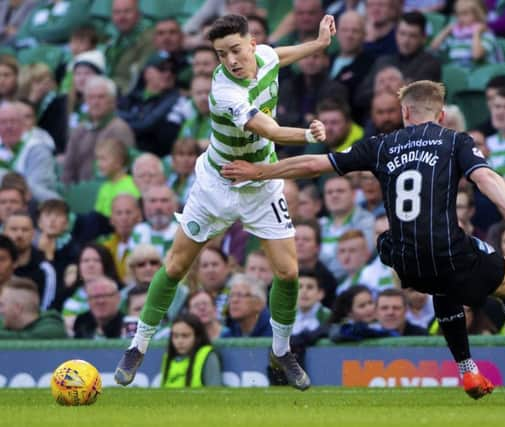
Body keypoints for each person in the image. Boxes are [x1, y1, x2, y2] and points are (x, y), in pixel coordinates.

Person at [222, 80, 505, 404]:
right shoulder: (454, 140)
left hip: (402, 259)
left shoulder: (381, 144)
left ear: (405, 113)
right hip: (445, 248)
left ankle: (468, 371)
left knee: (443, 285)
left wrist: (260, 172)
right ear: (441, 114)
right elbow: (484, 176)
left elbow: (315, 164)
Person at [115, 13, 337, 391]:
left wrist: (317, 45)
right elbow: (266, 128)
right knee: (175, 266)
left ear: (252, 44)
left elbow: (278, 56)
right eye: (221, 54)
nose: (230, 60)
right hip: (218, 183)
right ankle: (138, 346)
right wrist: (307, 133)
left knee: (288, 272)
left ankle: (282, 351)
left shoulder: (263, 54)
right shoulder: (225, 91)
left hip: (260, 182)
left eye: (235, 50)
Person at [4, 210, 56, 310]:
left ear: (33, 234)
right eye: (14, 229)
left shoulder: (44, 269)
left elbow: (45, 308)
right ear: (4, 232)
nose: (19, 234)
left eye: (25, 230)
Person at [161, 313, 222, 387]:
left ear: (197, 337)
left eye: (185, 335)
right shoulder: (167, 357)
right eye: (175, 336)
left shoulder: (207, 356)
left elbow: (214, 391)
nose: (179, 341)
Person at [0, 277, 67, 339]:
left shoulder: (52, 330)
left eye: (2, 305)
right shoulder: (5, 321)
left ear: (17, 308)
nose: (0, 311)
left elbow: (23, 340)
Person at [94, 138, 140, 218]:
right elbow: (97, 216)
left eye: (103, 159)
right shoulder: (104, 187)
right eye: (97, 159)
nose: (98, 164)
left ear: (119, 161)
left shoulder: (132, 185)